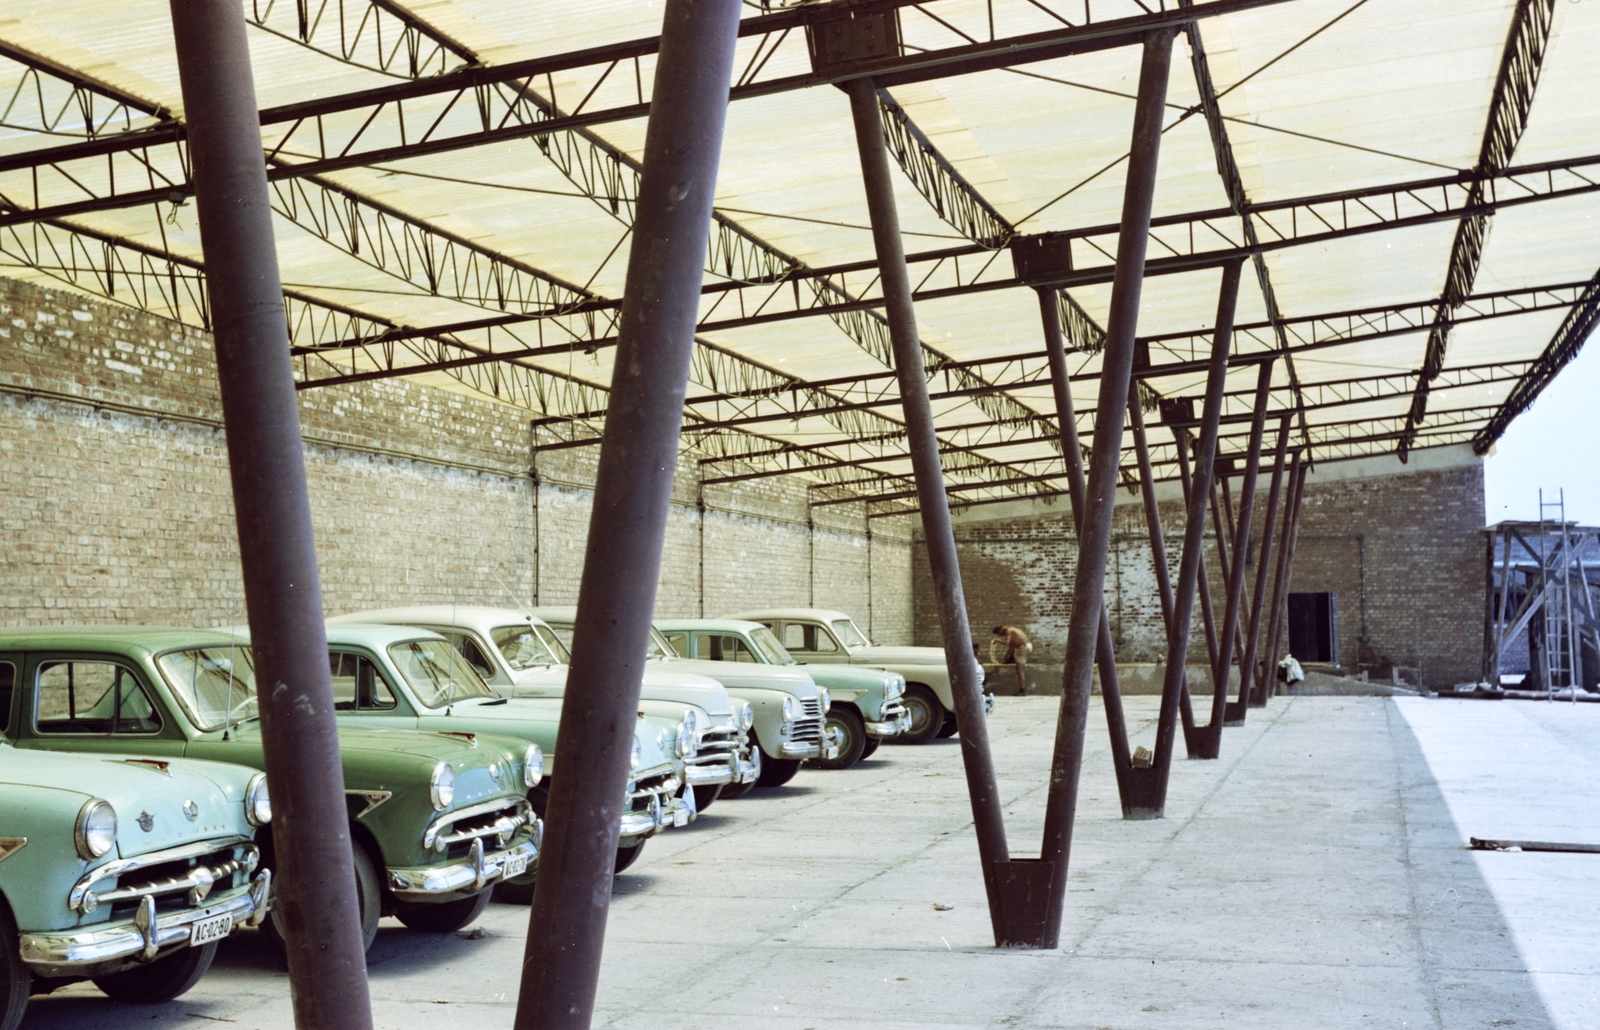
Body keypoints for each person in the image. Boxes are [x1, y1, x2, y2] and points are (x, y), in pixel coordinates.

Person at [992, 625, 1031, 695]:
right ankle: (1011, 659)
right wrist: (1007, 656)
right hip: (1026, 646)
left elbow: (1006, 643)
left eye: (998, 634)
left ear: (1000, 631)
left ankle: (1022, 690)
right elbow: (1012, 646)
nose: (1000, 636)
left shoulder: (1008, 631)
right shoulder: (1013, 630)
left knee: (1019, 670)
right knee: (1018, 666)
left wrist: (997, 640)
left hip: (1023, 647)